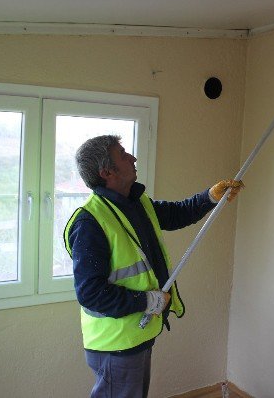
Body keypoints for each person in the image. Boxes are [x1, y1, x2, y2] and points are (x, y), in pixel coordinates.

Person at [64, 134, 243, 398]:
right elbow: (90, 293)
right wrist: (146, 301)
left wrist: (210, 197)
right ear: (106, 172)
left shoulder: (135, 203)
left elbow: (175, 214)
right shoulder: (90, 222)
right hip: (116, 342)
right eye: (123, 155)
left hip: (137, 333)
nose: (133, 158)